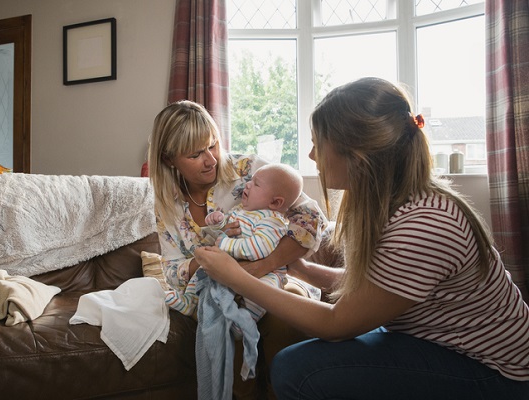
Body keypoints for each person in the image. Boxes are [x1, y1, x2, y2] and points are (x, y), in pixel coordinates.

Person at [194, 77, 529, 399]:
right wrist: (299, 268)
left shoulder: (424, 226)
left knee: (295, 369)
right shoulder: (394, 203)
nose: (312, 156)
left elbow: (336, 323)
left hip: (494, 372)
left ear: (357, 157)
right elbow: (374, 286)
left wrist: (235, 276)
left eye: (317, 145)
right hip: (436, 342)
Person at [147, 100, 328, 399]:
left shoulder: (251, 170)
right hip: (215, 293)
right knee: (222, 326)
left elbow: (311, 221)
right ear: (169, 160)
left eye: (213, 145)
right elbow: (172, 272)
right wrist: (206, 258)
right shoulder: (166, 203)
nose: (211, 160)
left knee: (286, 313)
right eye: (195, 154)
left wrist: (260, 267)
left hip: (273, 281)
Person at [166, 163, 304, 335]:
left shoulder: (273, 221)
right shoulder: (241, 210)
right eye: (251, 180)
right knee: (204, 267)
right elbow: (228, 228)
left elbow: (258, 249)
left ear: (275, 202)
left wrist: (224, 244)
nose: (248, 184)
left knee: (262, 293)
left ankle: (243, 324)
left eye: (256, 184)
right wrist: (219, 222)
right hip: (233, 263)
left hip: (265, 271)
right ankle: (189, 301)